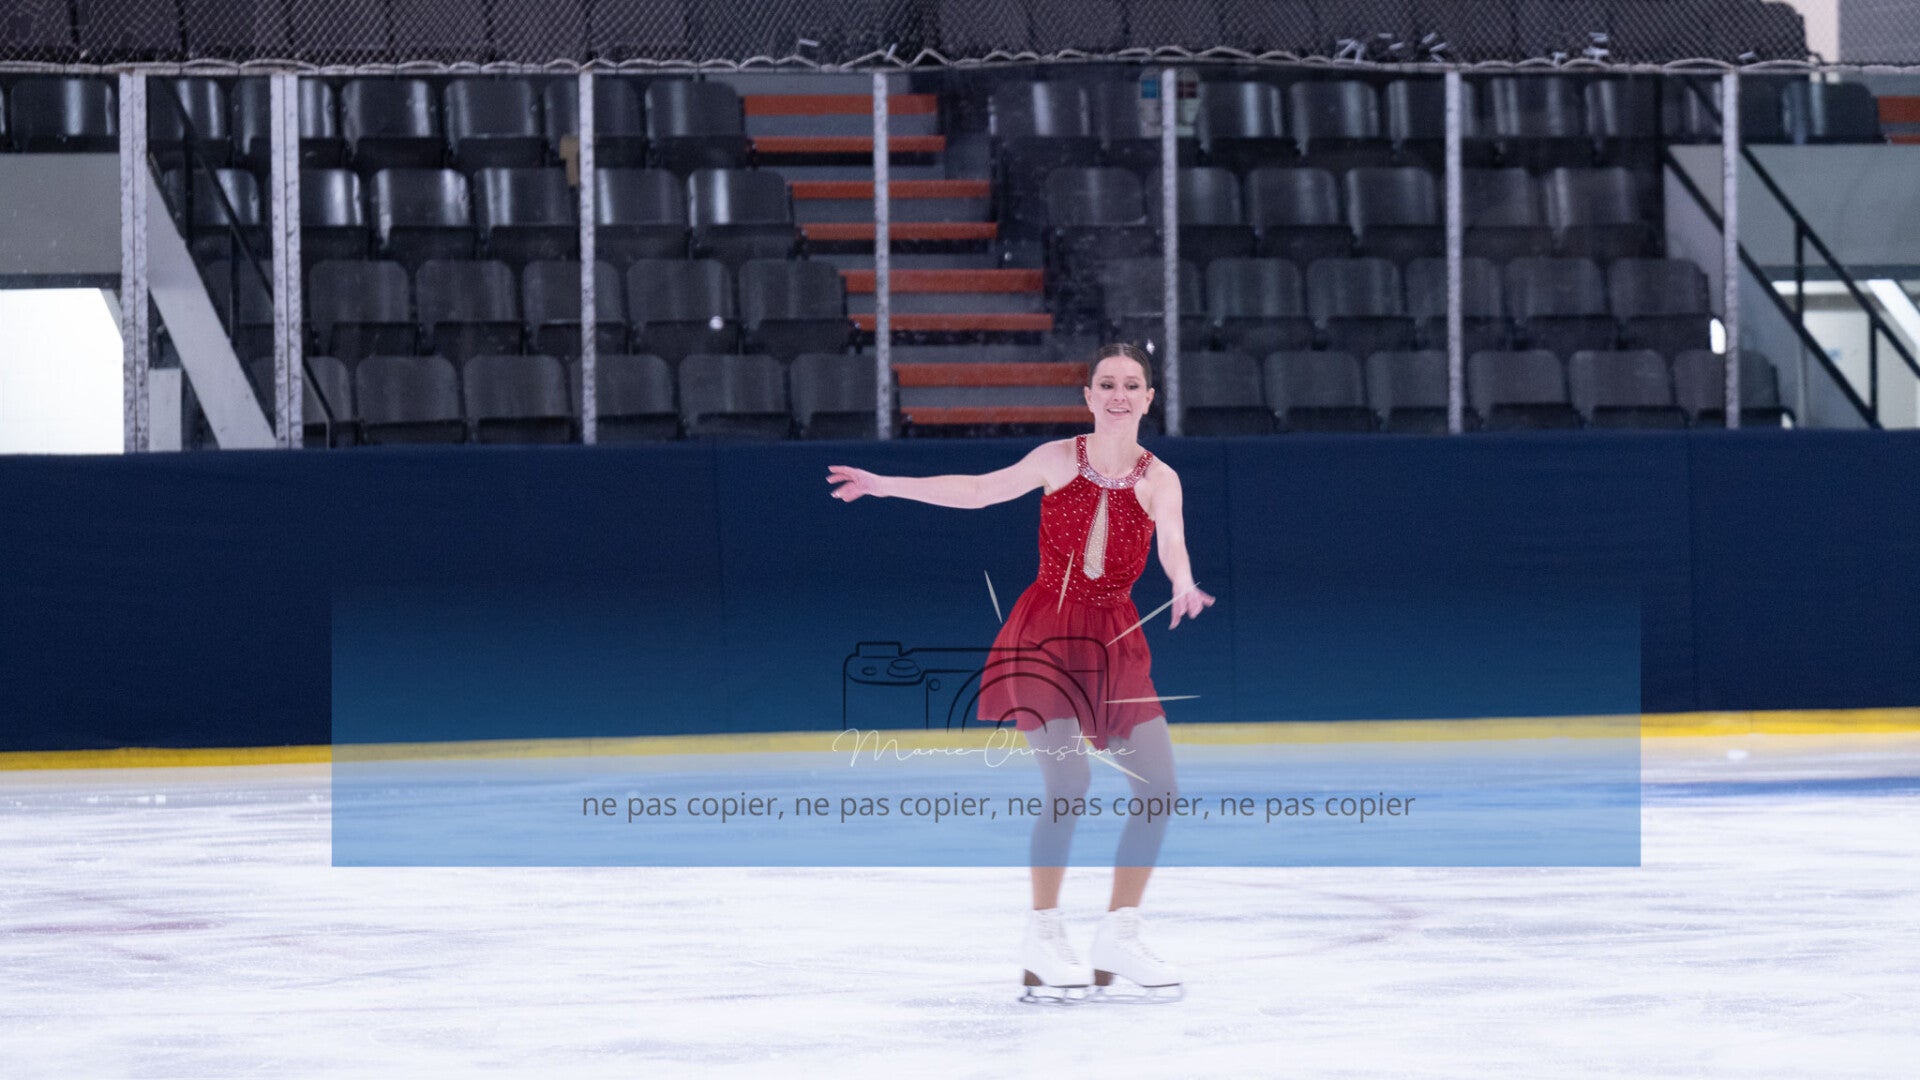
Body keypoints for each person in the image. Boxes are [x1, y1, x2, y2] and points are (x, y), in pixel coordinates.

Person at [826, 343, 1216, 1004]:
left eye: (1132, 385)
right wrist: (887, 484)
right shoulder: (1057, 459)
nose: (1119, 395)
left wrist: (1182, 580)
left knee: (1160, 788)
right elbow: (979, 491)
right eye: (1106, 384)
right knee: (1070, 781)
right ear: (1088, 397)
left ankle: (1119, 933)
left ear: (1149, 399)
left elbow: (1173, 539)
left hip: (1114, 643)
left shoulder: (1161, 479)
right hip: (1044, 636)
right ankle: (1043, 934)